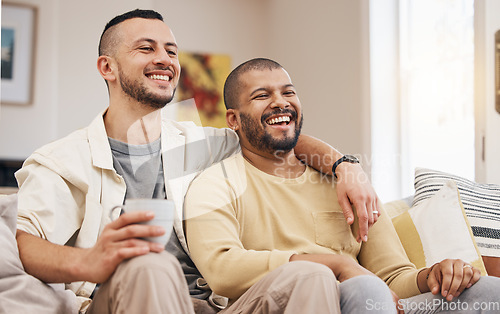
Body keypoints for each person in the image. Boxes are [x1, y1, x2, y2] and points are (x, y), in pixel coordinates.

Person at [14, 9, 380, 314]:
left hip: (212, 306)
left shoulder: (200, 142)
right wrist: (91, 262)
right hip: (122, 298)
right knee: (150, 263)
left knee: (310, 275)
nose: (165, 59)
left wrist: (345, 166)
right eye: (146, 48)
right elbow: (24, 243)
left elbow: (274, 136)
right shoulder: (61, 159)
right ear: (107, 67)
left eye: (171, 51)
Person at [184, 58, 500, 313]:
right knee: (360, 286)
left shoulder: (346, 185)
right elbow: (222, 270)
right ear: (234, 119)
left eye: (288, 92)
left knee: (485, 291)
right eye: (262, 95)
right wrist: (338, 265)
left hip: (365, 301)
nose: (280, 103)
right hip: (273, 304)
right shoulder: (215, 184)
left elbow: (391, 277)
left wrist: (431, 275)